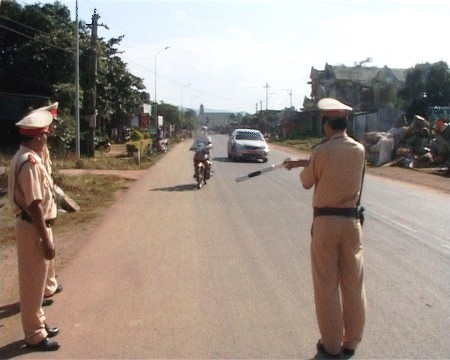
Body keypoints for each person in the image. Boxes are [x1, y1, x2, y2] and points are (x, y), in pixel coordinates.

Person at [284, 98, 366, 358]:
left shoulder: (321, 151)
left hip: (326, 223)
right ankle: (351, 341)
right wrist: (305, 161)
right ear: (345, 123)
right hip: (352, 222)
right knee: (353, 283)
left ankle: (331, 345)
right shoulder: (359, 150)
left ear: (327, 125)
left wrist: (302, 167)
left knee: (326, 284)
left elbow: (308, 181)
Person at [7, 109, 61, 351]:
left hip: (35, 226)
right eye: (45, 136)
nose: (46, 140)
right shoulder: (29, 163)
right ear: (38, 138)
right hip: (33, 227)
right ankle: (34, 335)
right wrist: (45, 239)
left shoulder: (27, 157)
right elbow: (34, 205)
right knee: (32, 285)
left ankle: (38, 322)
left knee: (38, 283)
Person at [31, 102, 64, 301]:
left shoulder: (44, 145)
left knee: (48, 249)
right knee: (41, 252)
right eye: (52, 124)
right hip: (38, 206)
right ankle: (41, 290)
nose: (53, 128)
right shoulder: (35, 150)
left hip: (46, 205)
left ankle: (49, 285)